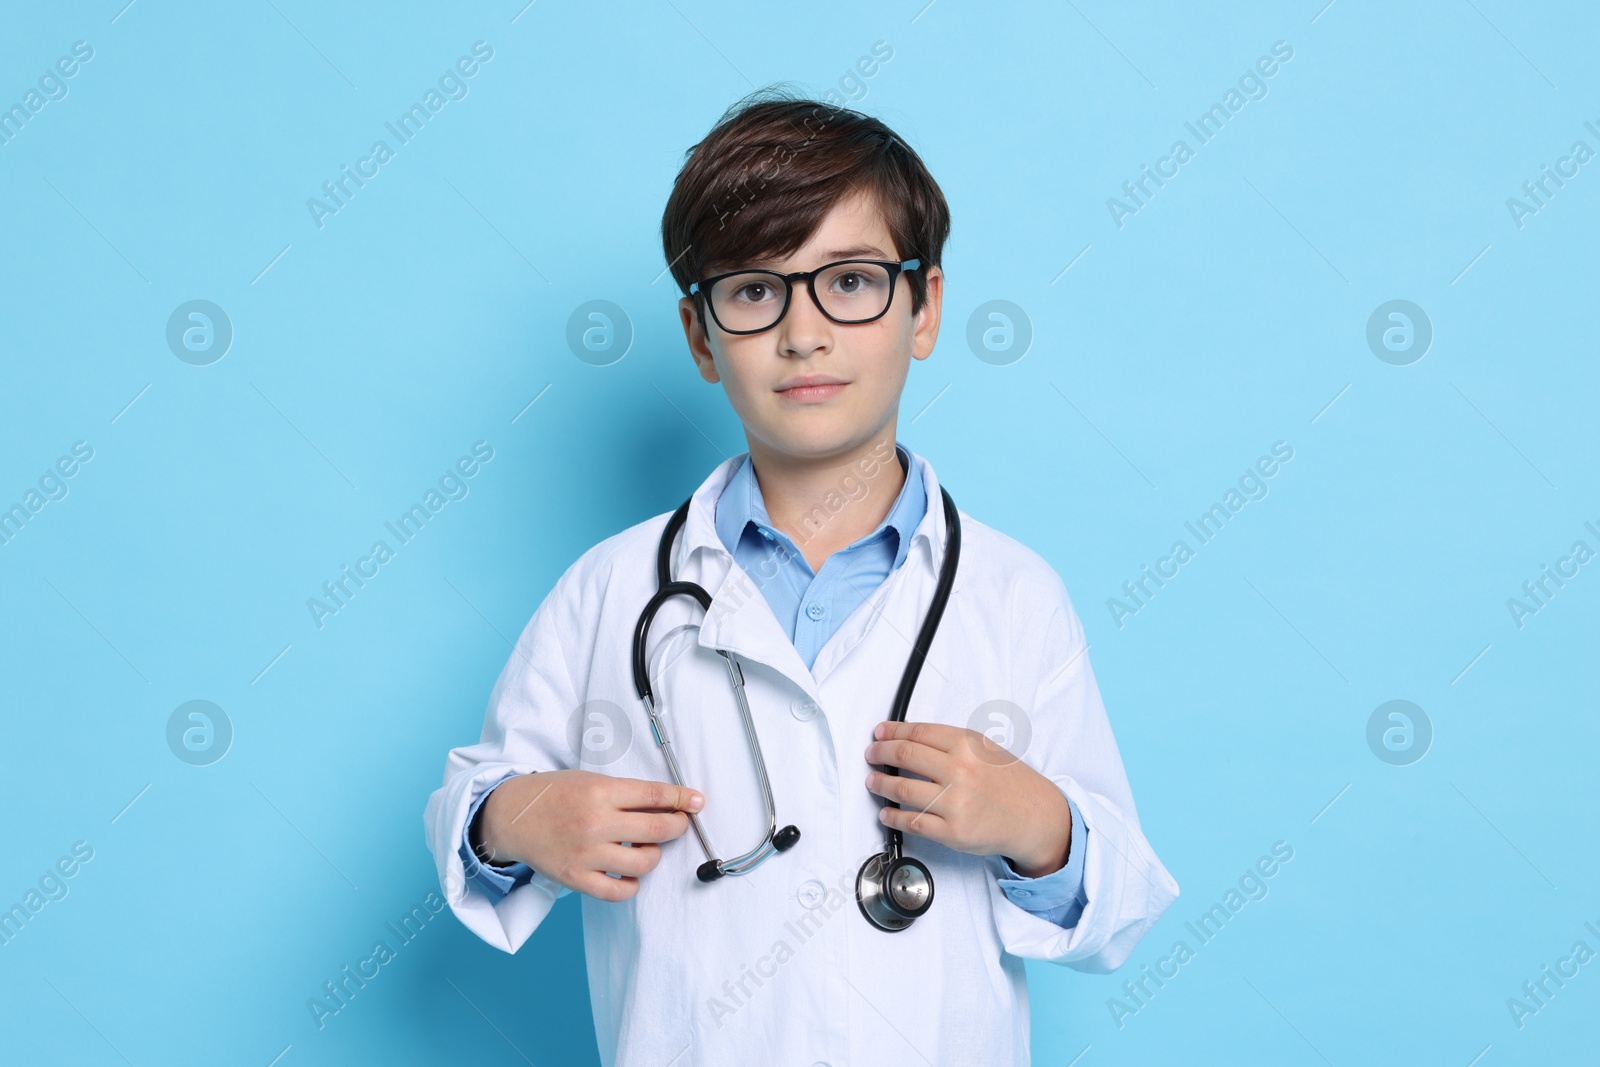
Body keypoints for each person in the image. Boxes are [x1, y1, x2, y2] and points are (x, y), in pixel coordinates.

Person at [423, 87, 1178, 1066]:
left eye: (851, 282)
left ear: (924, 307)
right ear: (701, 337)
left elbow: (1119, 905)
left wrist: (1039, 822)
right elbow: (473, 798)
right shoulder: (610, 589)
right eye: (753, 290)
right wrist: (516, 816)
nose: (804, 332)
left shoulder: (1012, 594)